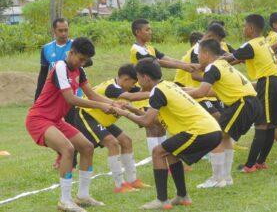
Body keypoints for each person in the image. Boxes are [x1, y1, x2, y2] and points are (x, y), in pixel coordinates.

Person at [26, 37, 124, 212]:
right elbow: (71, 98)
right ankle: (64, 201)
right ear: (71, 52)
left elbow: (92, 94)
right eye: (81, 59)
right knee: (68, 149)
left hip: (55, 121)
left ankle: (83, 196)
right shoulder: (60, 67)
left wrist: (113, 103)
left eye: (85, 60)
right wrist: (103, 106)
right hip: (38, 119)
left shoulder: (80, 70)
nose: (82, 63)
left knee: (87, 147)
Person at [113, 58, 222, 210]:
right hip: (211, 130)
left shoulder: (157, 92)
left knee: (158, 152)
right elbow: (156, 120)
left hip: (201, 131)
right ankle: (182, 196)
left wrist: (123, 113)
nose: (137, 82)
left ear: (146, 77)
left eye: (138, 78)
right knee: (171, 154)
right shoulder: (168, 86)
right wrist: (131, 109)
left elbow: (147, 122)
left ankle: (162, 200)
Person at [186, 39, 260, 188]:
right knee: (224, 138)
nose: (198, 57)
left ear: (206, 54)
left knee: (216, 137)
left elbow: (202, 92)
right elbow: (214, 91)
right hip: (249, 102)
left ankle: (217, 179)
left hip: (242, 103)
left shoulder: (212, 68)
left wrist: (180, 95)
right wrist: (183, 91)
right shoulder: (222, 64)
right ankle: (226, 178)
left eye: (199, 53)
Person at [74, 64, 150, 193]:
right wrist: (155, 93)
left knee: (126, 141)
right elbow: (132, 97)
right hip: (87, 115)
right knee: (112, 143)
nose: (133, 87)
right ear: (125, 79)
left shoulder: (124, 86)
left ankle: (132, 181)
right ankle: (119, 185)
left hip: (102, 119)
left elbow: (139, 92)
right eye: (132, 83)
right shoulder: (112, 88)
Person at [223, 14, 277, 172]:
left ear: (250, 28)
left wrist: (210, 61)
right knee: (270, 125)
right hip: (276, 82)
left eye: (244, 26)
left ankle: (250, 165)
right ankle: (260, 162)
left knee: (261, 124)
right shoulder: (262, 41)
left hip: (268, 83)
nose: (243, 29)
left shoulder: (250, 44)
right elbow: (239, 58)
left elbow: (230, 59)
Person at [130, 18, 198, 156]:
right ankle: (157, 158)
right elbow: (159, 62)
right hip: (142, 91)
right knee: (151, 126)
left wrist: (188, 64)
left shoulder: (150, 48)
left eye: (150, 29)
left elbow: (167, 58)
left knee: (160, 126)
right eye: (147, 29)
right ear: (137, 32)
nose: (150, 32)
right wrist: (184, 66)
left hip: (153, 90)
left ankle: (163, 156)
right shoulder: (137, 50)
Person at [34, 18, 92, 169]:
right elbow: (43, 73)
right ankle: (63, 156)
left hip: (72, 96)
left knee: (73, 127)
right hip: (54, 97)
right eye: (61, 30)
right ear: (54, 31)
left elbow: (86, 63)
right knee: (55, 129)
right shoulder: (46, 49)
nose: (64, 33)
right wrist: (37, 97)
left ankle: (71, 162)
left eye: (66, 29)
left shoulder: (75, 46)